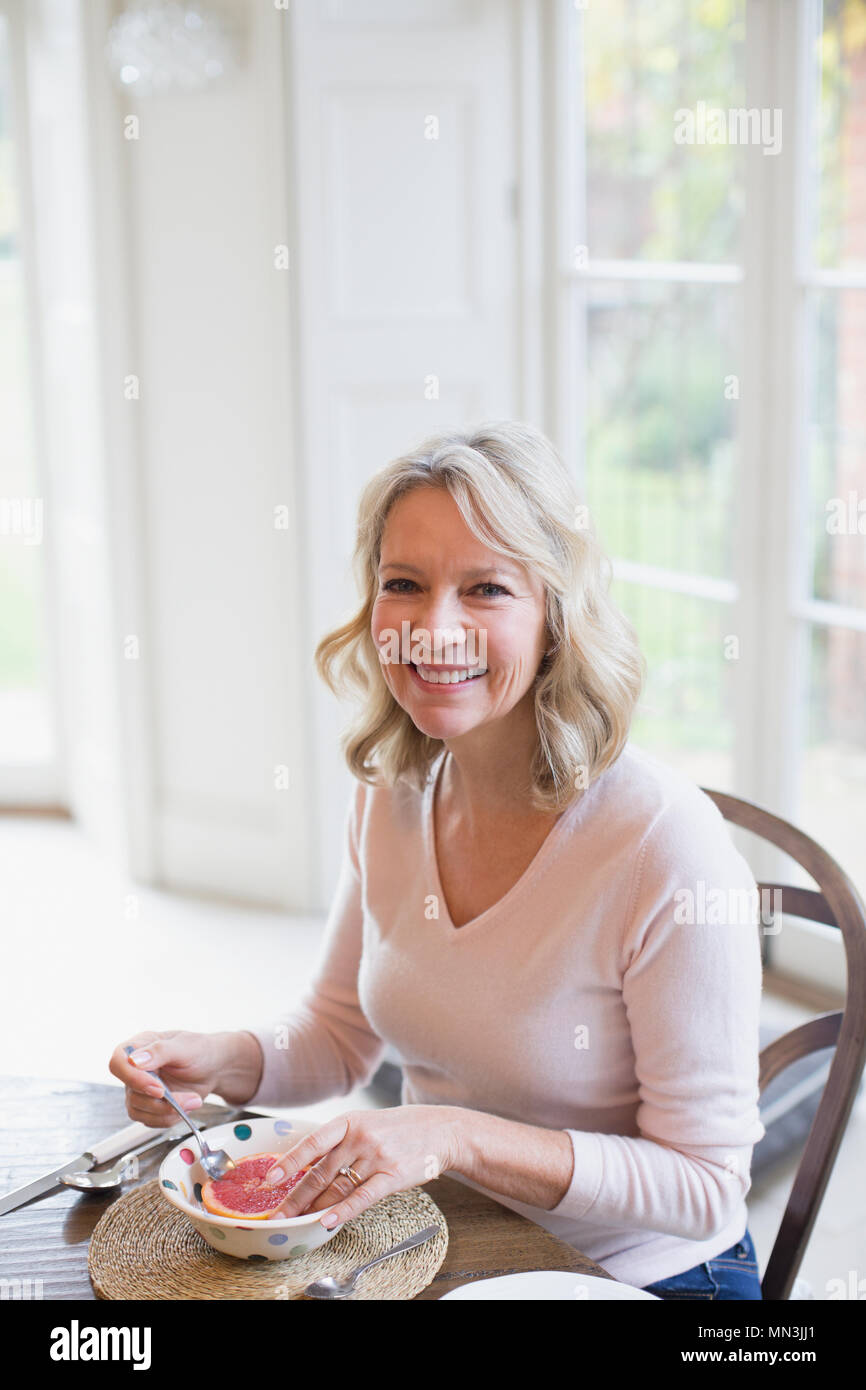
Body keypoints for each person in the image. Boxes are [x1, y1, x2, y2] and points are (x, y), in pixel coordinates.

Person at [111, 421, 765, 1297]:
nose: (433, 629)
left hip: (641, 1275)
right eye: (404, 585)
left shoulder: (662, 846)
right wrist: (221, 1058)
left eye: (487, 588)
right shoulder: (392, 792)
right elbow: (338, 1037)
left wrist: (452, 1136)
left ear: (557, 618)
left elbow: (704, 1183)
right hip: (447, 1243)